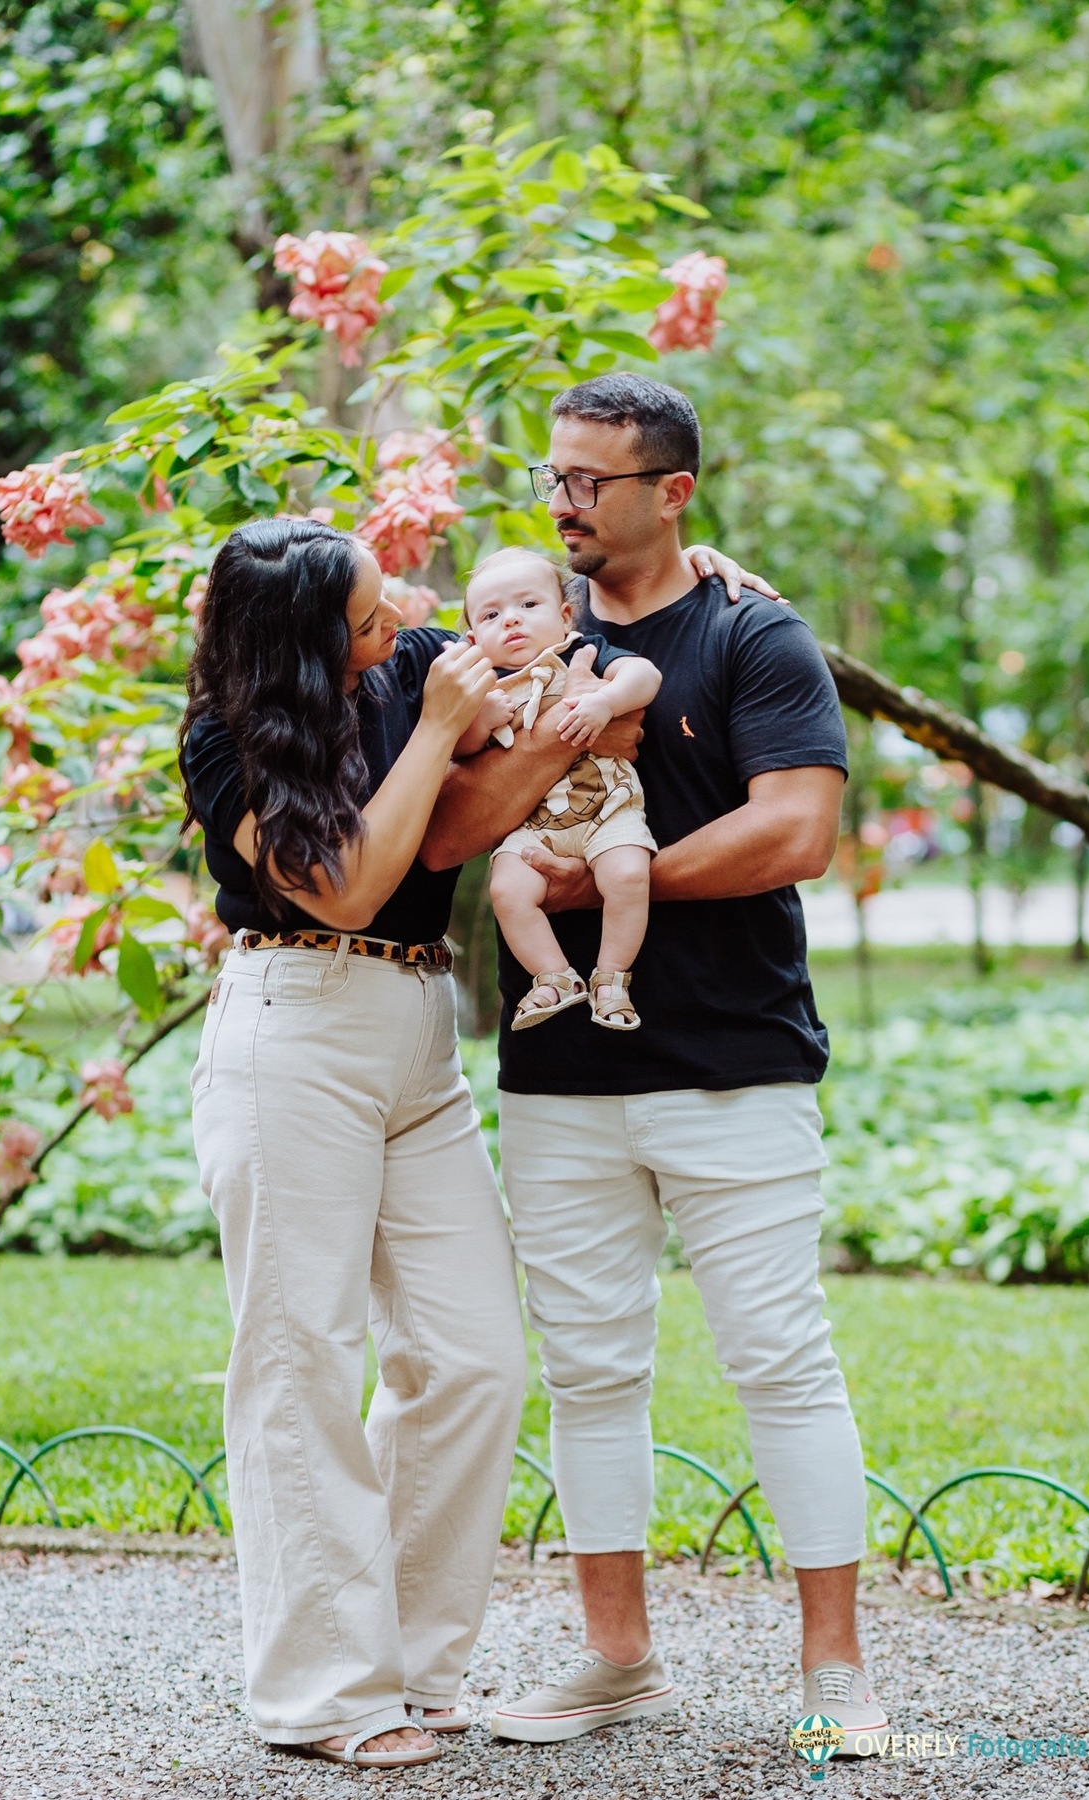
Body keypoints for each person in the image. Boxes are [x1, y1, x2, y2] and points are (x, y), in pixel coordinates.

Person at [421, 374, 891, 1759]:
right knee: (588, 1372)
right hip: (561, 1082)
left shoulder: (757, 634)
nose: (563, 500)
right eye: (554, 476)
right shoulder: (517, 637)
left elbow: (793, 833)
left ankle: (836, 1673)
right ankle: (615, 1659)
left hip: (737, 1066)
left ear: (672, 492)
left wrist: (599, 889)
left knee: (782, 1364)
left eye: (591, 482)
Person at [178, 517, 528, 1771]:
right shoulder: (226, 743)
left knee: (474, 1353)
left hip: (418, 1032)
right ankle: (325, 1693)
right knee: (301, 1361)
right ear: (299, 646)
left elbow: (540, 648)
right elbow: (347, 886)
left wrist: (693, 587)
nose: (398, 633)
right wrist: (436, 727)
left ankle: (419, 1664)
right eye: (370, 622)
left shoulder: (403, 661)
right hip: (296, 1029)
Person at [457, 547, 662, 1032]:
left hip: (607, 811)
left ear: (565, 614)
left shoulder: (582, 652)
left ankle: (611, 978)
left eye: (528, 605)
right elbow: (462, 754)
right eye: (491, 614)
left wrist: (607, 702)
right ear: (472, 638)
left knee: (629, 877)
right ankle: (553, 977)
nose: (511, 621)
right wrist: (477, 723)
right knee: (508, 889)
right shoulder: (481, 686)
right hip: (533, 826)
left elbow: (644, 675)